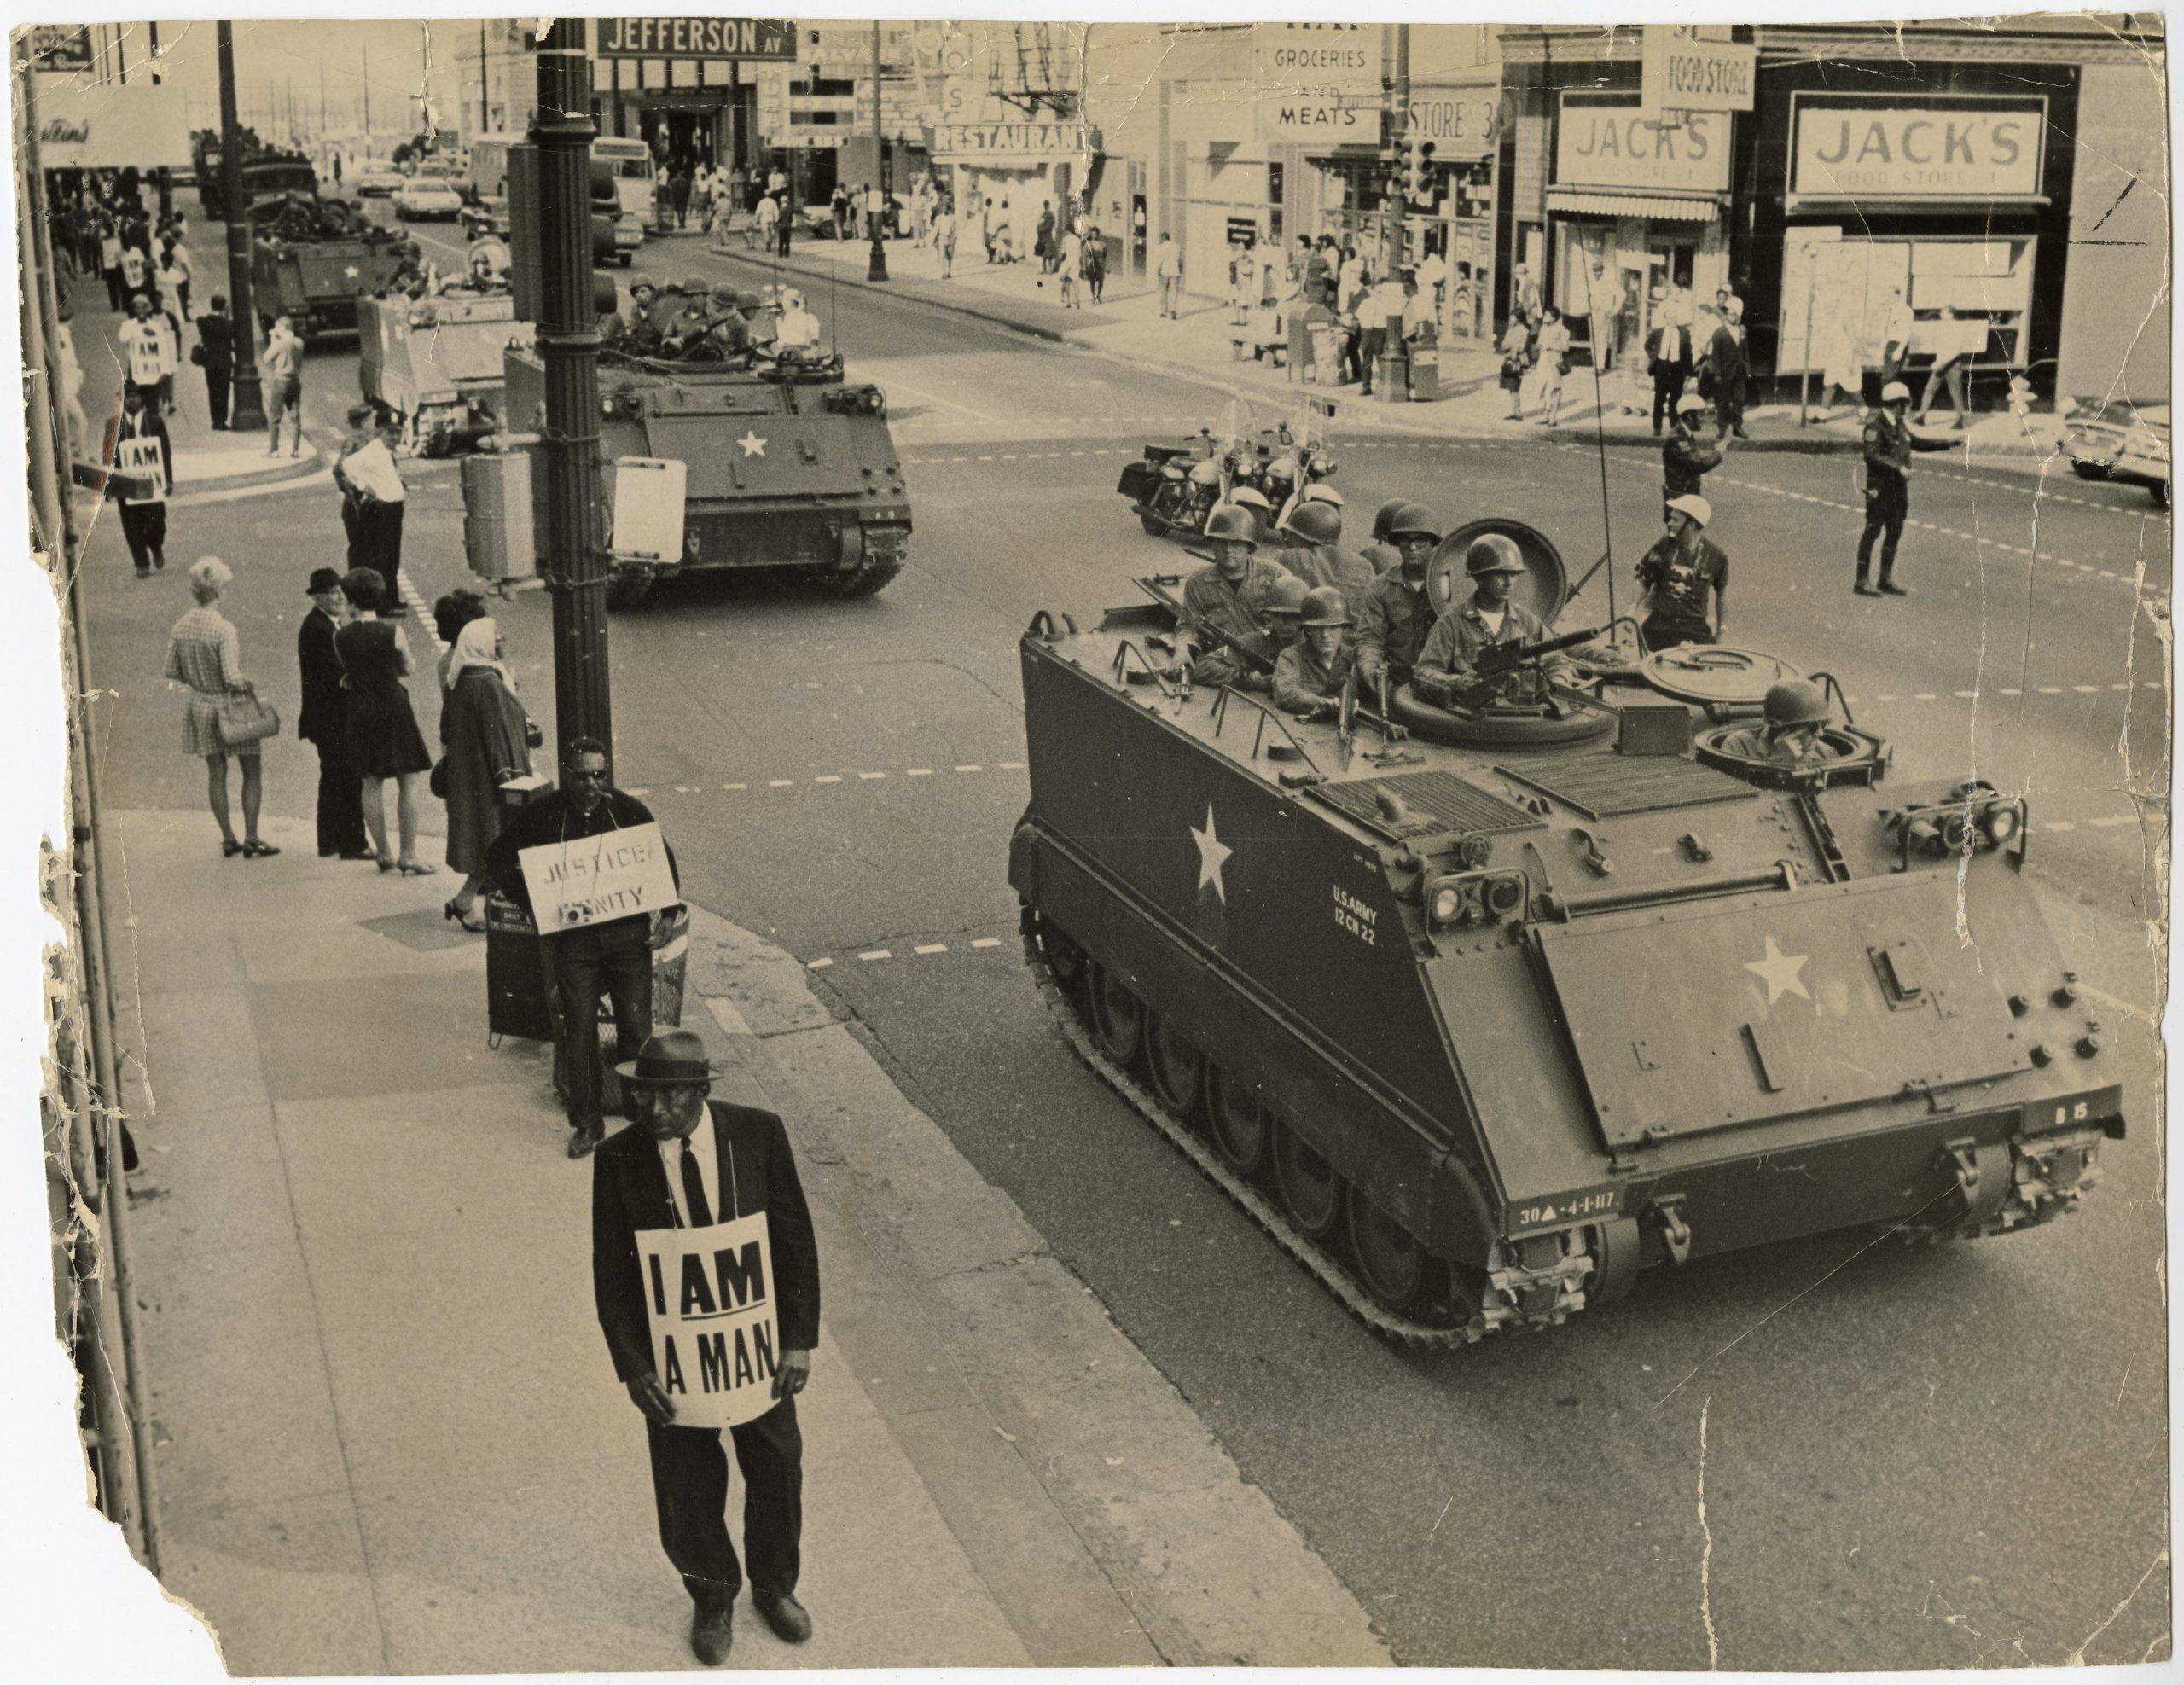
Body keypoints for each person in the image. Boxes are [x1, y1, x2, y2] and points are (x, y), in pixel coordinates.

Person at [590, 1026, 819, 1665]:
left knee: (776, 1469)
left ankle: (775, 1587)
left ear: (701, 1092)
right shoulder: (619, 1160)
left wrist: (798, 1340)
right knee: (687, 1485)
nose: (653, 1112)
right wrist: (635, 1370)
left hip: (756, 1353)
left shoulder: (758, 1133)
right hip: (675, 1363)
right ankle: (713, 1596)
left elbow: (795, 1240)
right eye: (643, 1097)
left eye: (670, 1099)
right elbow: (611, 1277)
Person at [486, 739, 680, 1158]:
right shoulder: (544, 814)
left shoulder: (626, 810)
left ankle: (639, 1119)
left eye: (599, 774)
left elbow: (661, 859)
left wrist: (668, 912)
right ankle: (587, 1124)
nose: (592, 783)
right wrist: (533, 901)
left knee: (636, 1029)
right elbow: (498, 858)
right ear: (566, 772)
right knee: (579, 1031)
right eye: (582, 775)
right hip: (575, 942)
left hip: (627, 939)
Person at [164, 557, 277, 858]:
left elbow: (171, 670)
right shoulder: (223, 629)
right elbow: (231, 676)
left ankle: (228, 837)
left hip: (201, 705)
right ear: (220, 591)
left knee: (216, 772)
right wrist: (247, 684)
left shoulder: (181, 627)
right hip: (230, 708)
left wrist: (198, 677)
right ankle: (252, 836)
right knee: (251, 769)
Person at [334, 567, 433, 875]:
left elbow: (349, 669)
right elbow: (407, 668)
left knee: (370, 782)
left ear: (350, 601)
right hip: (392, 704)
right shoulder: (393, 632)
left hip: (361, 707)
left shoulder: (341, 635)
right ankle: (409, 854)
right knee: (408, 779)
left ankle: (384, 852)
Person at [439, 617, 532, 932]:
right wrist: (512, 777)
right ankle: (492, 910)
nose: (502, 641)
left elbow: (445, 729)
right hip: (491, 779)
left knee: (486, 845)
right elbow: (501, 736)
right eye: (498, 637)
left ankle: (464, 903)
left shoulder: (460, 678)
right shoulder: (488, 682)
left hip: (469, 776)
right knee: (498, 844)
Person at [1412, 535, 1574, 707]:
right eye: (1500, 574)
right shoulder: (1450, 625)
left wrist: (1559, 683)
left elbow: (1557, 660)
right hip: (1475, 721)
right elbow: (1423, 673)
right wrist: (1456, 683)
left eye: (1513, 574)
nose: (1508, 583)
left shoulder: (1526, 620)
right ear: (1478, 577)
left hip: (1525, 718)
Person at [297, 567, 372, 860]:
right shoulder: (320, 630)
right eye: (331, 592)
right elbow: (339, 673)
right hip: (332, 719)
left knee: (332, 778)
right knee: (347, 778)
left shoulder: (323, 623)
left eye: (340, 590)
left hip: (324, 718)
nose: (339, 596)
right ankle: (352, 843)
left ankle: (330, 841)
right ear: (317, 598)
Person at [1176, 505, 1293, 689]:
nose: (1228, 549)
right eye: (1221, 542)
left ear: (1250, 547)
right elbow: (1188, 625)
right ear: (1212, 544)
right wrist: (1182, 647)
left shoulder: (1277, 576)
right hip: (1224, 665)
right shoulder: (1198, 583)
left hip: (1274, 663)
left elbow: (1297, 622)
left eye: (1236, 543)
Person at [1855, 380, 1950, 597]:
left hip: (1898, 489)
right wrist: (1898, 467)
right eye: (1905, 402)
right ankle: (1861, 580)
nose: (1907, 406)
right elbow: (1872, 454)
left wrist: (1948, 442)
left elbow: (1916, 442)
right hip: (1880, 487)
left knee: (1895, 531)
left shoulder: (1899, 424)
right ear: (1898, 403)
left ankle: (1885, 578)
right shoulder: (1874, 425)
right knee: (1873, 531)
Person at [1353, 503, 1444, 699]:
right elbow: (1370, 639)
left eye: (1420, 540)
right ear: (1396, 543)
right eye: (1405, 540)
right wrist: (1370, 670)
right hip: (1395, 681)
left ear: (1433, 543)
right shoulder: (1380, 587)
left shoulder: (1447, 585)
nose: (1412, 547)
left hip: (1440, 682)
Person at [334, 405, 409, 612]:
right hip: (360, 509)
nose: (374, 424)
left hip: (377, 508)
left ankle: (385, 599)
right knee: (363, 556)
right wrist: (360, 496)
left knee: (381, 555)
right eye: (371, 420)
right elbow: (340, 471)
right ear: (362, 421)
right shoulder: (355, 442)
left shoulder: (376, 443)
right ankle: (359, 600)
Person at [1635, 495, 1729, 654]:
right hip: (1660, 627)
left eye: (1675, 520)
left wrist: (1721, 632)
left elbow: (1722, 596)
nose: (1670, 523)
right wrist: (1631, 611)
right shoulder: (1663, 546)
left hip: (1694, 629)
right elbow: (1644, 581)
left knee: (1702, 671)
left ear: (1691, 525)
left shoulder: (1716, 556)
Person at [105, 384, 173, 578]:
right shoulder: (113, 425)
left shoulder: (155, 423)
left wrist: (168, 480)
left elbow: (165, 453)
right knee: (131, 524)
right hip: (126, 485)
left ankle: (156, 546)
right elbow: (108, 456)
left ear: (142, 399)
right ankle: (141, 562)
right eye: (127, 397)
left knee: (156, 523)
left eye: (134, 396)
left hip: (152, 483)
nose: (131, 400)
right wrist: (108, 487)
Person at [1271, 500, 1371, 616]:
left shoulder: (1290, 556)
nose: (1287, 539)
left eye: (1293, 534)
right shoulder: (1366, 566)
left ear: (1310, 537)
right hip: (1351, 631)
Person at [1272, 587, 1356, 718]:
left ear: (1343, 628)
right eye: (1318, 628)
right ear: (1308, 630)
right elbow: (1285, 692)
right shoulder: (1291, 656)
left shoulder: (1354, 658)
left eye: (1333, 627)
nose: (1325, 635)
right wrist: (1323, 703)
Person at [1717, 680, 1832, 767]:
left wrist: (1800, 760)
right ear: (1782, 728)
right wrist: (1780, 761)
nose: (1820, 733)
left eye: (1824, 724)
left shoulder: (1825, 753)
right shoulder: (1739, 745)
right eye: (1812, 727)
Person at [1663, 393, 1723, 515]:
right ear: (1690, 416)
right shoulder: (1677, 438)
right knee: (1680, 532)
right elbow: (1696, 465)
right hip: (1680, 500)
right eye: (1700, 415)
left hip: (1687, 496)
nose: (1704, 420)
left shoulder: (1686, 433)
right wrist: (1718, 453)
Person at [1918, 306, 1978, 428]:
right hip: (1941, 363)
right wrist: (1939, 360)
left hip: (1953, 364)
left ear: (1951, 315)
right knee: (1929, 389)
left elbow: (1955, 351)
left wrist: (1941, 362)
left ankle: (1959, 421)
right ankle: (1921, 416)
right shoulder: (1943, 328)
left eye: (1943, 313)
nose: (1941, 314)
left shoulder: (1958, 328)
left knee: (1955, 392)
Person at [1702, 297, 1749, 440]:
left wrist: (1748, 368)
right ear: (1726, 316)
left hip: (1739, 372)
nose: (1732, 317)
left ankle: (1737, 426)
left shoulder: (1742, 330)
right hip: (1724, 373)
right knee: (1723, 401)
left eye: (1735, 314)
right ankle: (1722, 428)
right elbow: (1715, 355)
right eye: (1729, 314)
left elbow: (1745, 351)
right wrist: (1717, 374)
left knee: (1739, 400)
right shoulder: (1719, 333)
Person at [1646, 309, 1698, 435]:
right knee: (1659, 398)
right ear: (1666, 320)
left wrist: (1689, 372)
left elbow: (1688, 353)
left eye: (1675, 317)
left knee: (1675, 400)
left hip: (1677, 369)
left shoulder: (1684, 333)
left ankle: (1674, 428)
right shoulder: (1658, 332)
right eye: (1670, 318)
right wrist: (1655, 358)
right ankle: (1657, 428)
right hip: (1662, 368)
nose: (1673, 320)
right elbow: (1647, 345)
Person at [261, 314, 305, 457]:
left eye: (277, 327)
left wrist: (274, 340)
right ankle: (296, 450)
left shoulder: (280, 344)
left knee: (274, 417)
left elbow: (266, 359)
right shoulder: (299, 342)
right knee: (295, 416)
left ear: (282, 328)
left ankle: (274, 450)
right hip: (295, 382)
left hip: (281, 381)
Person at [1358, 270, 1407, 397]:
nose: (1379, 294)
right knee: (1366, 361)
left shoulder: (1387, 305)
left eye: (1382, 292)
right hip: (1367, 332)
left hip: (1380, 332)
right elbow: (1358, 315)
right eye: (1377, 291)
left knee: (1381, 359)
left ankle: (1383, 383)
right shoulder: (1367, 302)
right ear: (1374, 290)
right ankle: (1366, 386)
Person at [1527, 306, 1572, 426]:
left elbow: (1566, 347)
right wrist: (1538, 346)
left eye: (1547, 315)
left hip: (1555, 361)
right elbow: (1539, 343)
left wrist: (1551, 346)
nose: (1544, 317)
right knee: (1543, 387)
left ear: (1553, 318)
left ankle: (1553, 417)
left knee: (1556, 387)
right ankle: (1546, 415)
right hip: (1543, 360)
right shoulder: (1543, 328)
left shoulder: (1560, 329)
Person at [195, 294, 235, 430]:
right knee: (224, 392)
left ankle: (215, 420)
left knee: (213, 391)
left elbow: (201, 322)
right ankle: (222, 421)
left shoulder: (204, 322)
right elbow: (232, 335)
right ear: (224, 306)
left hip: (210, 361)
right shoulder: (228, 323)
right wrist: (227, 316)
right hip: (224, 360)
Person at [118, 293, 167, 398]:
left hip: (152, 366)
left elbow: (163, 344)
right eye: (137, 307)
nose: (140, 310)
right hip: (135, 365)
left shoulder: (155, 325)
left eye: (142, 307)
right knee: (136, 395)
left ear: (147, 309)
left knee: (152, 394)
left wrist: (154, 335)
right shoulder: (128, 325)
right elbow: (122, 338)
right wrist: (139, 332)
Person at [1586, 259, 1623, 374]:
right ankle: (1595, 365)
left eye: (1599, 271)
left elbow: (1621, 294)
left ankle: (1600, 367)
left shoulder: (1608, 281)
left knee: (1602, 339)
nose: (1597, 273)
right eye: (1595, 271)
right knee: (1593, 339)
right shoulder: (1591, 281)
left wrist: (1614, 310)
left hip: (1604, 312)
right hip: (1593, 312)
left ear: (1603, 270)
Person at [1496, 311, 1533, 421]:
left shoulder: (1525, 331)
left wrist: (1511, 346)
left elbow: (1521, 348)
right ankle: (1514, 411)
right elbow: (1503, 346)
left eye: (1513, 317)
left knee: (1515, 387)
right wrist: (1513, 346)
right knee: (1511, 388)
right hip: (1508, 360)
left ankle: (1518, 413)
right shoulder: (1510, 330)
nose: (1511, 319)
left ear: (1519, 318)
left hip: (1518, 361)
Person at [1879, 286, 1915, 385]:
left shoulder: (1906, 311)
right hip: (1889, 344)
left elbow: (1907, 332)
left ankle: (1893, 399)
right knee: (1888, 375)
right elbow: (1886, 330)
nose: (1887, 297)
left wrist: (1899, 350)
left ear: (1897, 296)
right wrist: (1882, 348)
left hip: (1898, 345)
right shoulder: (1890, 310)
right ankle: (1895, 399)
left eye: (1889, 295)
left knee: (1889, 377)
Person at [1155, 232, 1182, 319]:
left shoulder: (1161, 247)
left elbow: (1160, 260)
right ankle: (1173, 311)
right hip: (1175, 271)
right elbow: (1179, 260)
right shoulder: (1177, 246)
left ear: (1162, 238)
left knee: (1164, 291)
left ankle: (1163, 311)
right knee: (1174, 292)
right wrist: (1180, 270)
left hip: (1165, 271)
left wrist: (1158, 270)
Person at [1056, 224, 1082, 308]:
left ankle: (1068, 301)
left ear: (1067, 231)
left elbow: (1063, 252)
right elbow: (1080, 254)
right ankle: (1077, 301)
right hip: (1076, 262)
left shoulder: (1065, 239)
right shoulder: (1078, 240)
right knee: (1075, 282)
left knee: (1066, 281)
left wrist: (1060, 260)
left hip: (1068, 261)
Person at [1082, 224, 1107, 305]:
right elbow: (1084, 257)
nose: (1094, 235)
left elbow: (1105, 256)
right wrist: (1084, 268)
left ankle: (1098, 296)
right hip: (1091, 265)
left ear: (1098, 234)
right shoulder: (1087, 244)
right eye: (1092, 234)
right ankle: (1093, 297)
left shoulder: (1103, 244)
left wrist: (1106, 266)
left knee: (1101, 281)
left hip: (1100, 265)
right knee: (1092, 281)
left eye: (1095, 234)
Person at [933, 200, 956, 280]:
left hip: (951, 238)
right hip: (942, 237)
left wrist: (955, 238)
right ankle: (943, 272)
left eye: (946, 208)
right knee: (942, 255)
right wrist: (934, 238)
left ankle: (948, 272)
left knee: (949, 256)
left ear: (948, 208)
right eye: (943, 208)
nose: (944, 209)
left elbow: (955, 229)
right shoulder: (939, 217)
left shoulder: (953, 217)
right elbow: (936, 228)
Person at [753, 189, 780, 255]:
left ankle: (767, 241)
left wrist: (756, 220)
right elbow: (776, 211)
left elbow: (758, 211)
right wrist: (777, 219)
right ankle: (770, 241)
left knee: (765, 231)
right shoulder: (773, 202)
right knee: (772, 231)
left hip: (764, 218)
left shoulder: (761, 202)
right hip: (771, 217)